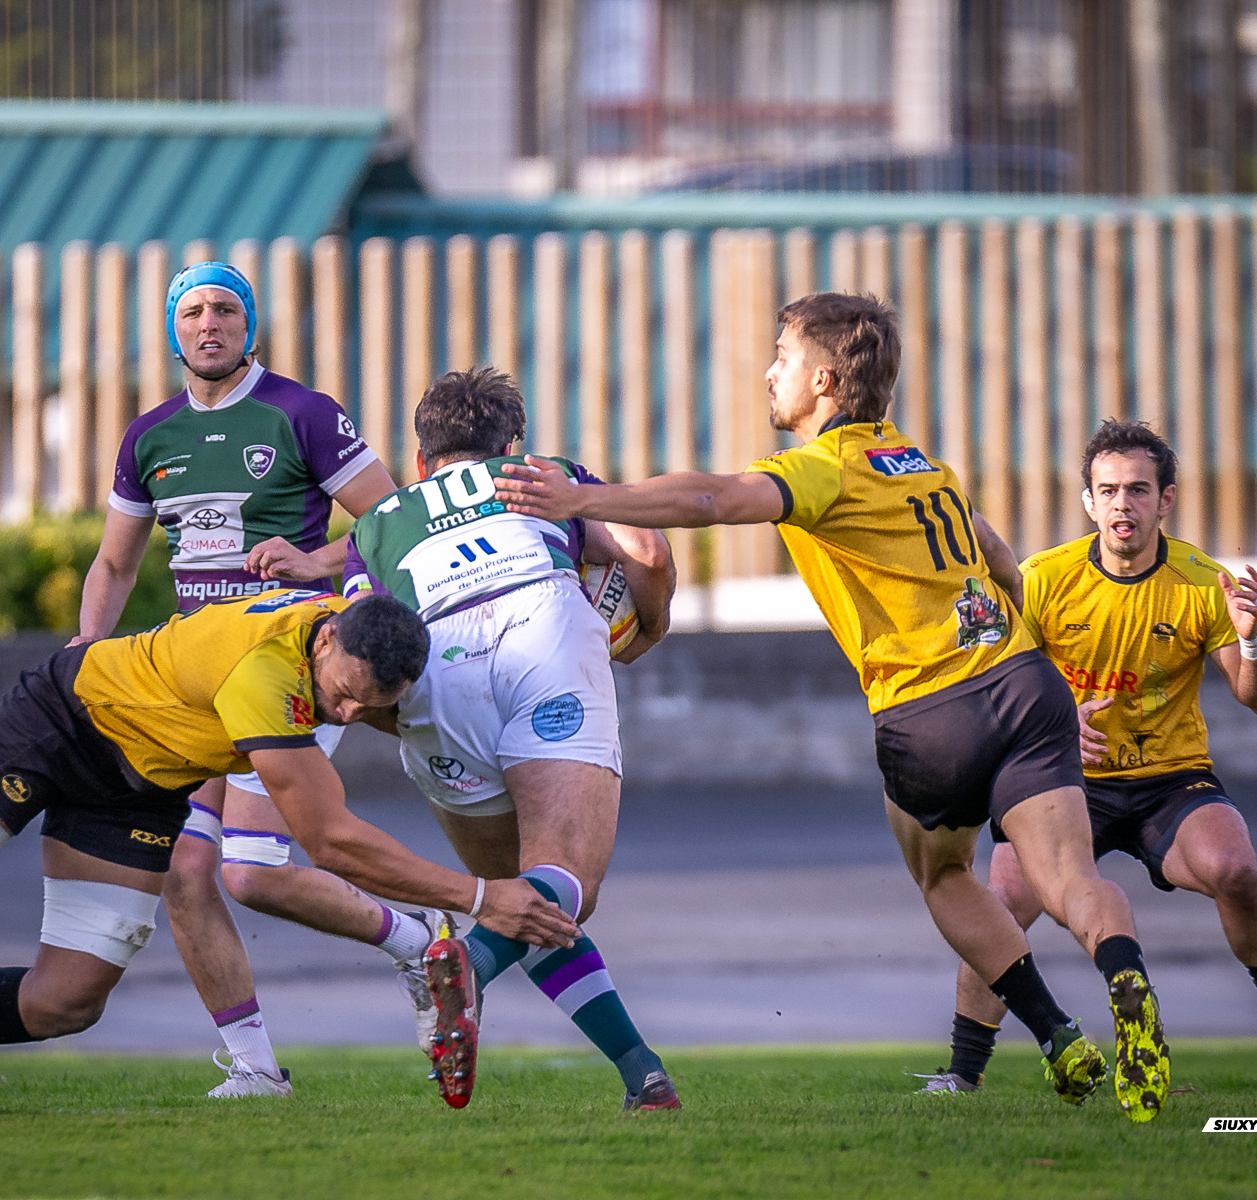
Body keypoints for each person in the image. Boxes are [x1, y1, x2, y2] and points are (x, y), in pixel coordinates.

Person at [494, 292, 1173, 1122]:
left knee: (946, 874)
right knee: (1071, 878)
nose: (770, 373)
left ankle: (1059, 1035)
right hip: (1026, 681)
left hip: (929, 709)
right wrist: (1052, 677)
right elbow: (1001, 558)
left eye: (781, 357)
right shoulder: (922, 464)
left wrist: (581, 502)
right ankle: (1124, 977)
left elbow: (711, 499)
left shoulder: (823, 467)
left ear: (823, 378)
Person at [0, 593, 578, 1121]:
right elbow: (327, 839)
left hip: (137, 788)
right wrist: (483, 895)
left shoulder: (351, 639)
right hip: (59, 720)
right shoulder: (267, 673)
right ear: (327, 641)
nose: (345, 715)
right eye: (341, 694)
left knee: (64, 1004)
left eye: (363, 707)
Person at [76, 260, 424, 1097]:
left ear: (249, 325)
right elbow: (114, 566)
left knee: (252, 871)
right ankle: (257, 1069)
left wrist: (312, 560)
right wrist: (84, 658)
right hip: (200, 678)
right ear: (173, 330)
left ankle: (423, 942)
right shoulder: (148, 437)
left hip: (293, 664)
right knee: (188, 873)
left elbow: (398, 523)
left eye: (225, 310)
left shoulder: (302, 413)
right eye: (191, 312)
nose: (209, 325)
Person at [916, 419, 1257, 1095]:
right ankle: (963, 1075)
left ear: (1165, 500)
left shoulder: (1203, 583)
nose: (1122, 504)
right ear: (1089, 502)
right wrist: (1055, 719)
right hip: (1061, 781)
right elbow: (994, 684)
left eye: (1138, 490)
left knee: (1236, 870)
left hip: (1169, 781)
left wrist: (1254, 641)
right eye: (1108, 490)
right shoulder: (1044, 580)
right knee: (1001, 904)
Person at [341, 365, 681, 1112]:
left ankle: (644, 1075)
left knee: (518, 899)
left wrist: (406, 719)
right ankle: (467, 960)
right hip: (543, 633)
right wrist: (646, 625)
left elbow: (359, 658)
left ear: (423, 458)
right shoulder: (544, 478)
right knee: (563, 888)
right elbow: (646, 553)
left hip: (435, 681)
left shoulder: (375, 526)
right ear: (510, 443)